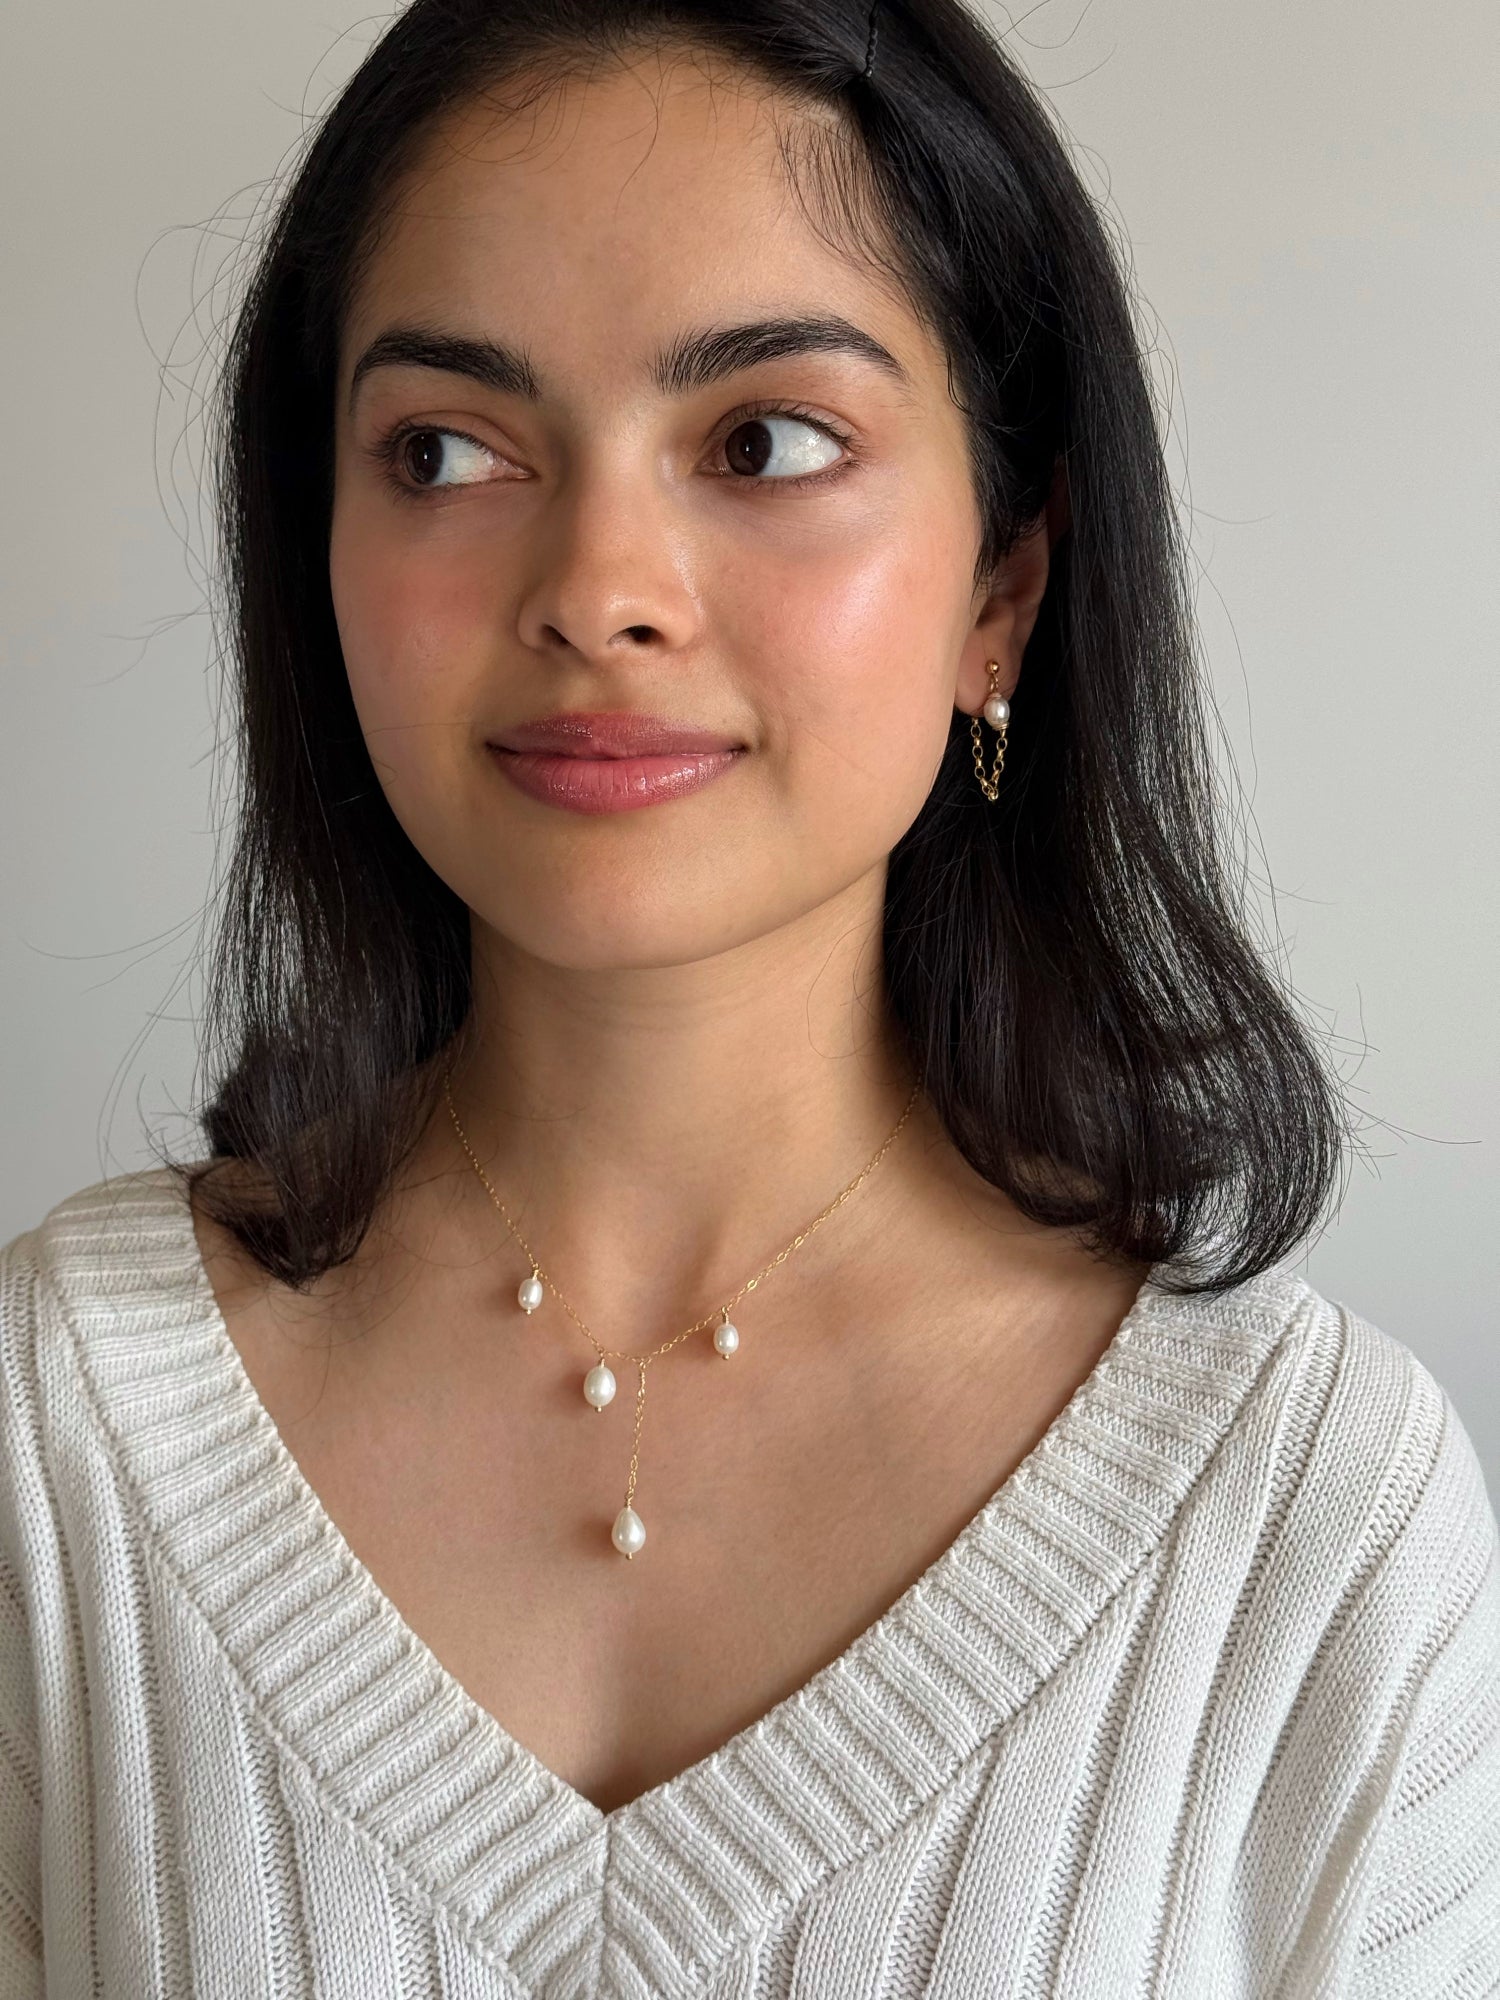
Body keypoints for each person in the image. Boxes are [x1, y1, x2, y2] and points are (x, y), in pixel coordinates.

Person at [2, 0, 1496, 1991]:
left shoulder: (1309, 1518)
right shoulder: (52, 1433)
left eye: (766, 440)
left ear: (1004, 588)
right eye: (445, 448)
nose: (600, 585)